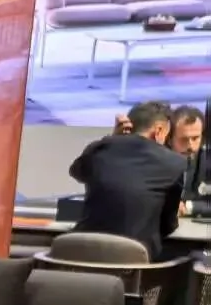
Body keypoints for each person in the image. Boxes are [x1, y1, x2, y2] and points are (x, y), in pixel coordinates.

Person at [70, 100, 187, 258]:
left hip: (80, 255)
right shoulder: (174, 162)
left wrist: (112, 138)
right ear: (159, 130)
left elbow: (77, 172)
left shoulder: (100, 148)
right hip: (134, 260)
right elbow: (168, 225)